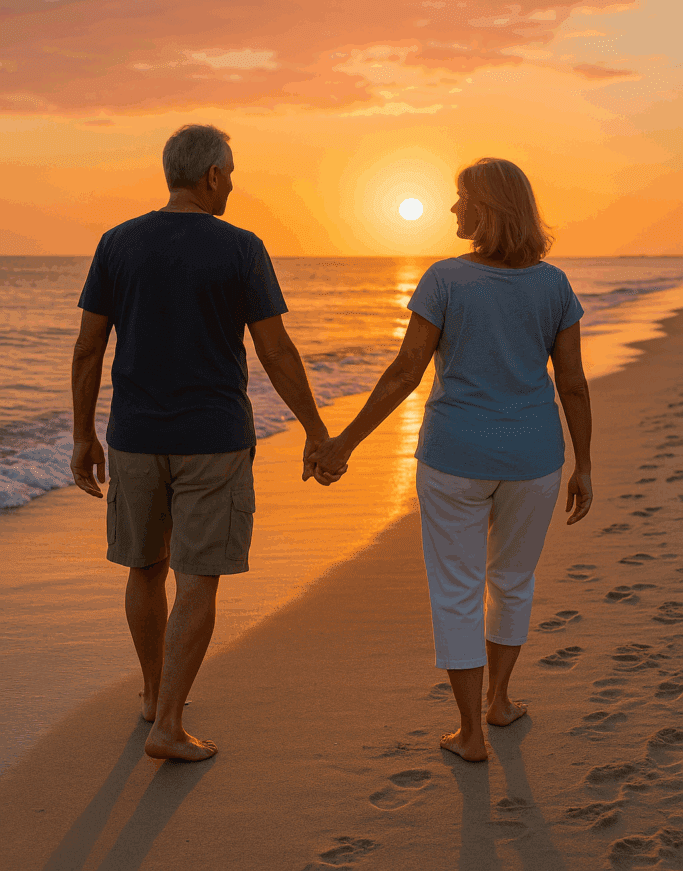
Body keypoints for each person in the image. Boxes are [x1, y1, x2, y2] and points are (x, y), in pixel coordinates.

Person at [70, 123, 343, 763]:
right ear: (213, 176)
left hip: (135, 437)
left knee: (145, 566)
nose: (233, 183)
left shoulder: (118, 243)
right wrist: (316, 431)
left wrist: (83, 434)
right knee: (197, 581)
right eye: (231, 172)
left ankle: (151, 696)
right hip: (214, 441)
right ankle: (168, 722)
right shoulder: (240, 248)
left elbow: (88, 347)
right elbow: (275, 349)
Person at [307, 156, 593, 763]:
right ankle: (500, 702)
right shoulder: (555, 285)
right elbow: (572, 384)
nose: (454, 209)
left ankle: (470, 733)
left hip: (454, 457)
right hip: (535, 458)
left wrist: (343, 444)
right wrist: (584, 464)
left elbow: (406, 372)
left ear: (488, 208)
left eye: (462, 198)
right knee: (512, 582)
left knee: (457, 590)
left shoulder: (443, 280)